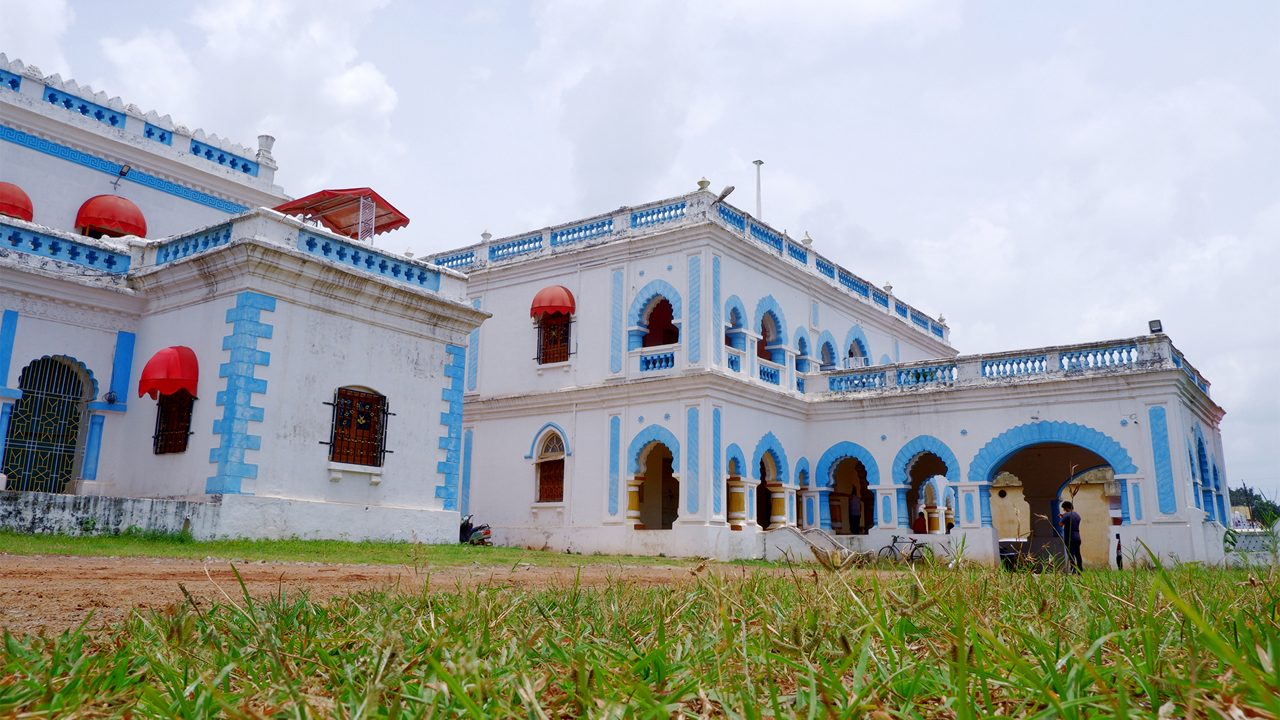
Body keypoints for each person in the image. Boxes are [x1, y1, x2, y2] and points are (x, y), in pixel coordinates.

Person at [1060, 501, 1083, 573]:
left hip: (1069, 537)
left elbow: (1060, 524)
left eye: (1064, 508)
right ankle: (1080, 569)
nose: (1064, 510)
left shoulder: (1066, 515)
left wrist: (1062, 518)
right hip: (1077, 536)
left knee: (1071, 554)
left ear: (1066, 508)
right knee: (1078, 554)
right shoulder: (1077, 515)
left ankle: (1073, 570)